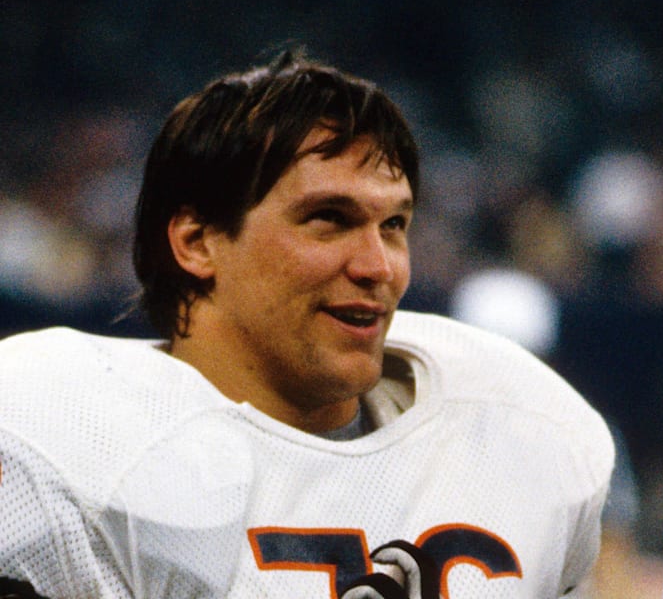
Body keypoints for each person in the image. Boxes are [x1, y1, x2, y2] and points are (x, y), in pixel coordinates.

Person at [0, 50, 614, 599]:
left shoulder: (518, 427)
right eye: (328, 219)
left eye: (394, 225)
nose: (379, 266)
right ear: (196, 242)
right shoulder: (61, 436)